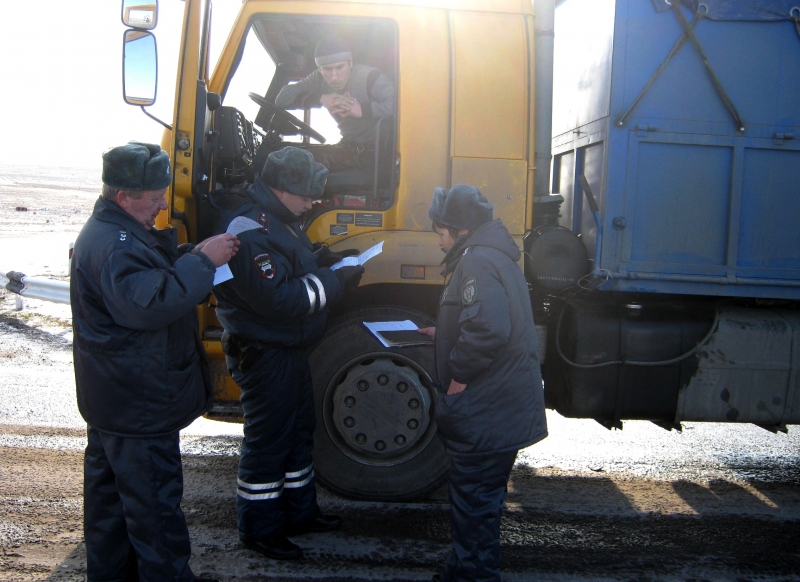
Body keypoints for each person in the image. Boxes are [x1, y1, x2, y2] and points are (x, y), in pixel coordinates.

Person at [70, 141, 240, 581]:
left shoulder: (113, 232)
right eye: (154, 198)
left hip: (114, 402)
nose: (163, 205)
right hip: (138, 406)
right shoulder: (117, 245)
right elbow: (151, 304)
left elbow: (150, 276)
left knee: (109, 514)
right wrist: (202, 262)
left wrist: (191, 255)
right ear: (123, 197)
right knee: (156, 519)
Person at [212, 146, 364, 560]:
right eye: (307, 195)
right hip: (265, 354)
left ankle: (299, 513)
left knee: (298, 433)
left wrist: (327, 260)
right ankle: (259, 529)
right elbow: (279, 300)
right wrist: (334, 280)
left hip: (288, 349)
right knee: (269, 441)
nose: (312, 203)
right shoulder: (248, 230)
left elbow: (295, 262)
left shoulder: (280, 219)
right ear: (281, 189)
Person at [417, 185, 548, 582]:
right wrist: (443, 332)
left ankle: (473, 576)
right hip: (499, 405)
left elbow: (489, 328)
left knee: (474, 504)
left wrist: (458, 377)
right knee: (477, 503)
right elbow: (489, 318)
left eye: (441, 233)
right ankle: (461, 571)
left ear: (459, 229)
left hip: (487, 407)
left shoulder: (475, 260)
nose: (439, 242)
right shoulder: (495, 256)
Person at [274, 34, 395, 171]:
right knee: (286, 156)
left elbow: (403, 107)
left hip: (375, 153)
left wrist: (363, 110)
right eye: (327, 69)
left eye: (340, 67)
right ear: (319, 69)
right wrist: (321, 98)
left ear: (350, 63)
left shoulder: (371, 78)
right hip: (348, 145)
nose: (334, 77)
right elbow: (281, 98)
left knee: (295, 164)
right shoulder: (318, 79)